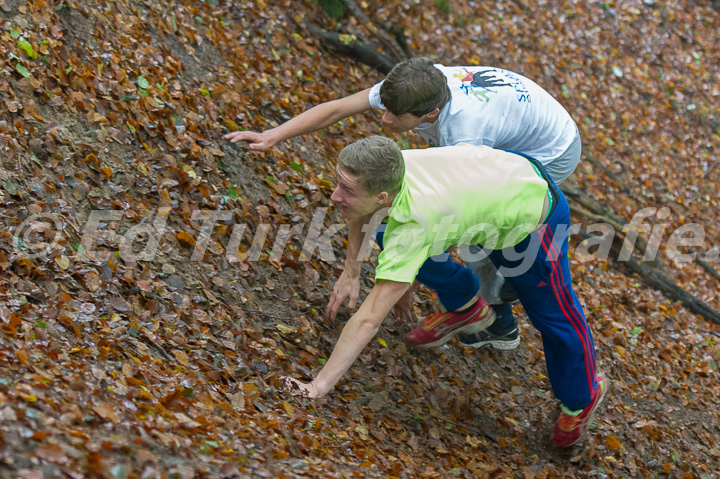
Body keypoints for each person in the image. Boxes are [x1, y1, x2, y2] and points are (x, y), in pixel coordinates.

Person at [225, 58, 582, 352]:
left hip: (551, 149)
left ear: (430, 114)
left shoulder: (466, 133)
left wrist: (407, 277)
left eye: (395, 117)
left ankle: (494, 309)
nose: (385, 120)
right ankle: (486, 311)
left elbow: (439, 217)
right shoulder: (414, 85)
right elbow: (337, 109)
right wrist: (274, 134)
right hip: (509, 126)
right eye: (386, 110)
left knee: (487, 225)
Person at [284, 136, 606, 448]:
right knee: (384, 228)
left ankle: (582, 397)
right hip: (487, 196)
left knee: (554, 317)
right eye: (338, 182)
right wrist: (351, 270)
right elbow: (359, 209)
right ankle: (465, 304)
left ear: (383, 195)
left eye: (347, 190)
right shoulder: (391, 165)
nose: (334, 196)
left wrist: (318, 385)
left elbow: (369, 319)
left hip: (534, 214)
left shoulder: (416, 222)